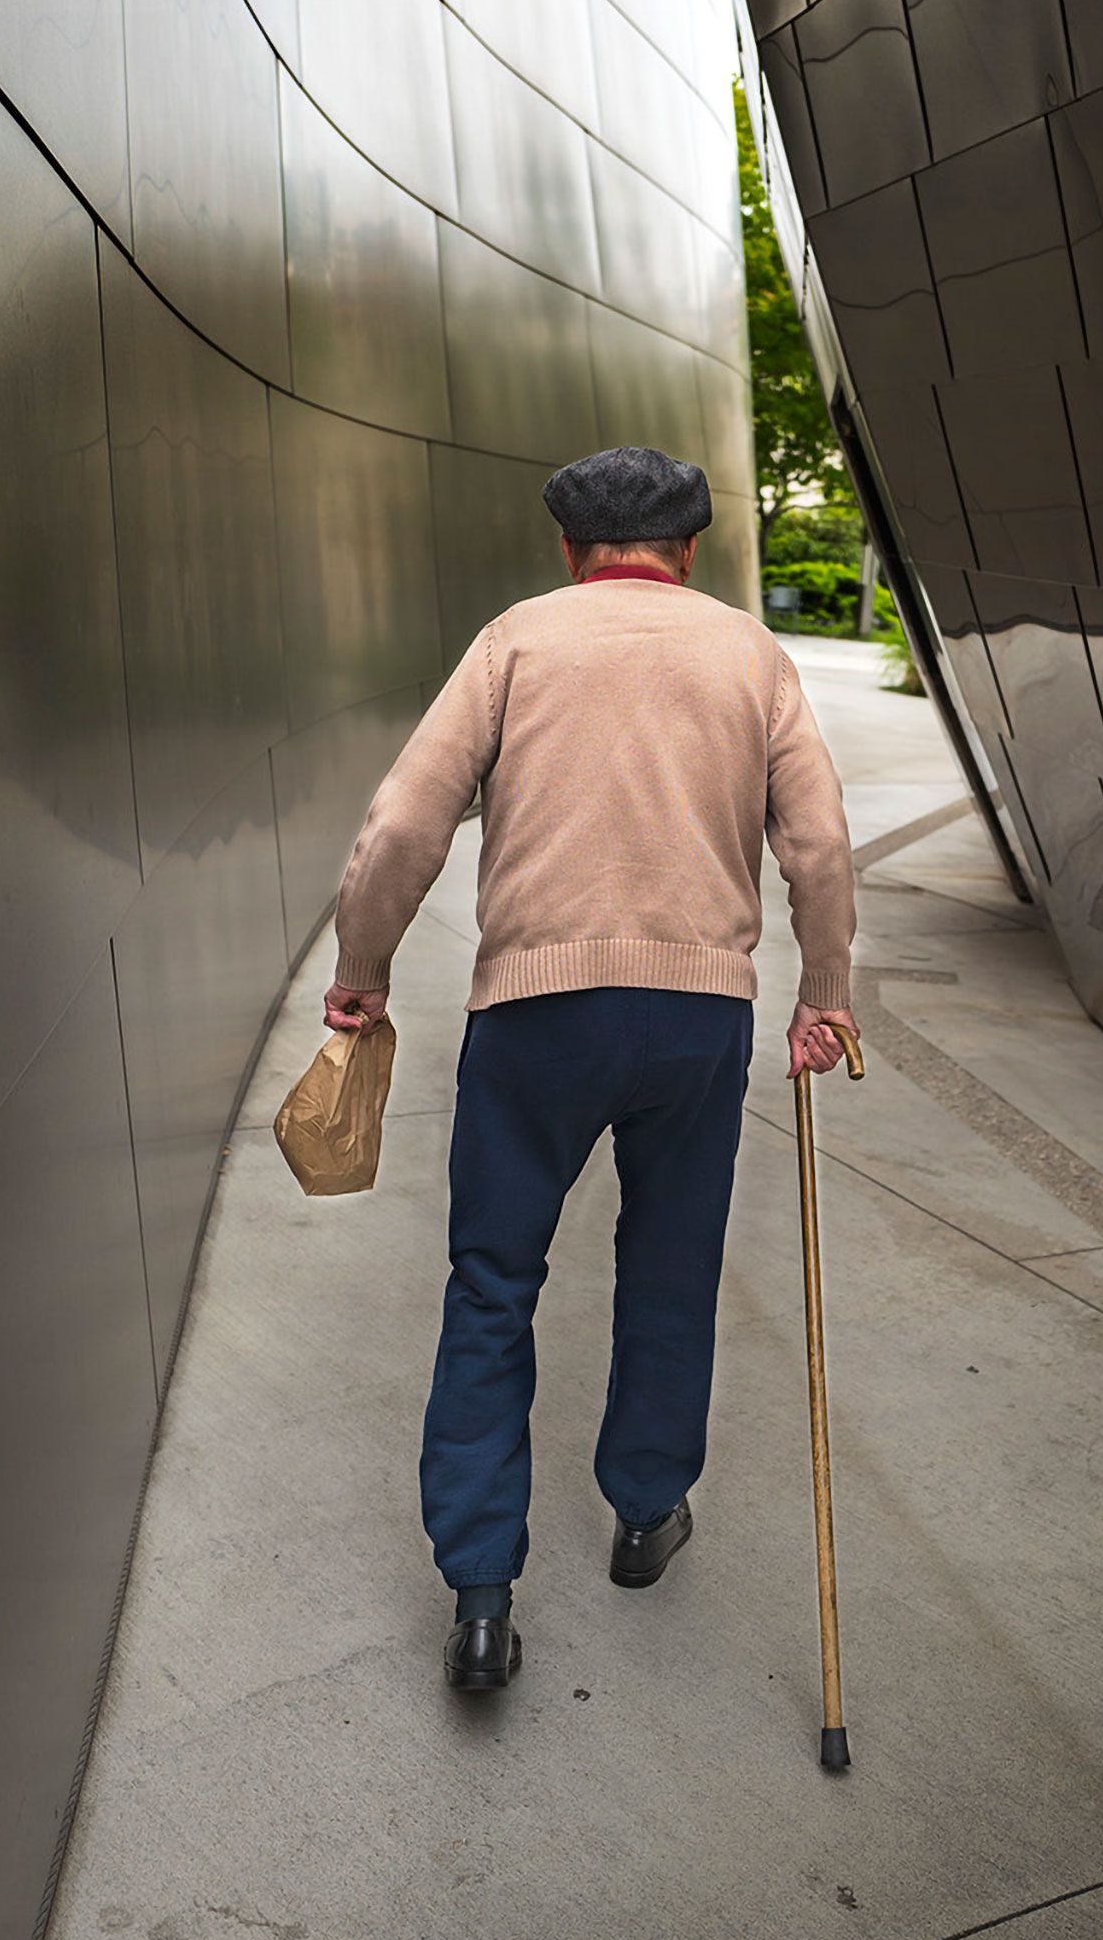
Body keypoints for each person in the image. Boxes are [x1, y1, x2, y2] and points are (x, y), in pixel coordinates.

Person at [323, 444, 859, 1692]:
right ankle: (645, 1512)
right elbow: (820, 845)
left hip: (535, 1013)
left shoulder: (517, 641)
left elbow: (404, 822)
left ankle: (479, 1591)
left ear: (572, 551)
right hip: (696, 1020)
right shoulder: (749, 655)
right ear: (690, 551)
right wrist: (824, 998)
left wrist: (364, 967)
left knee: (493, 1281)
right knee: (670, 1264)